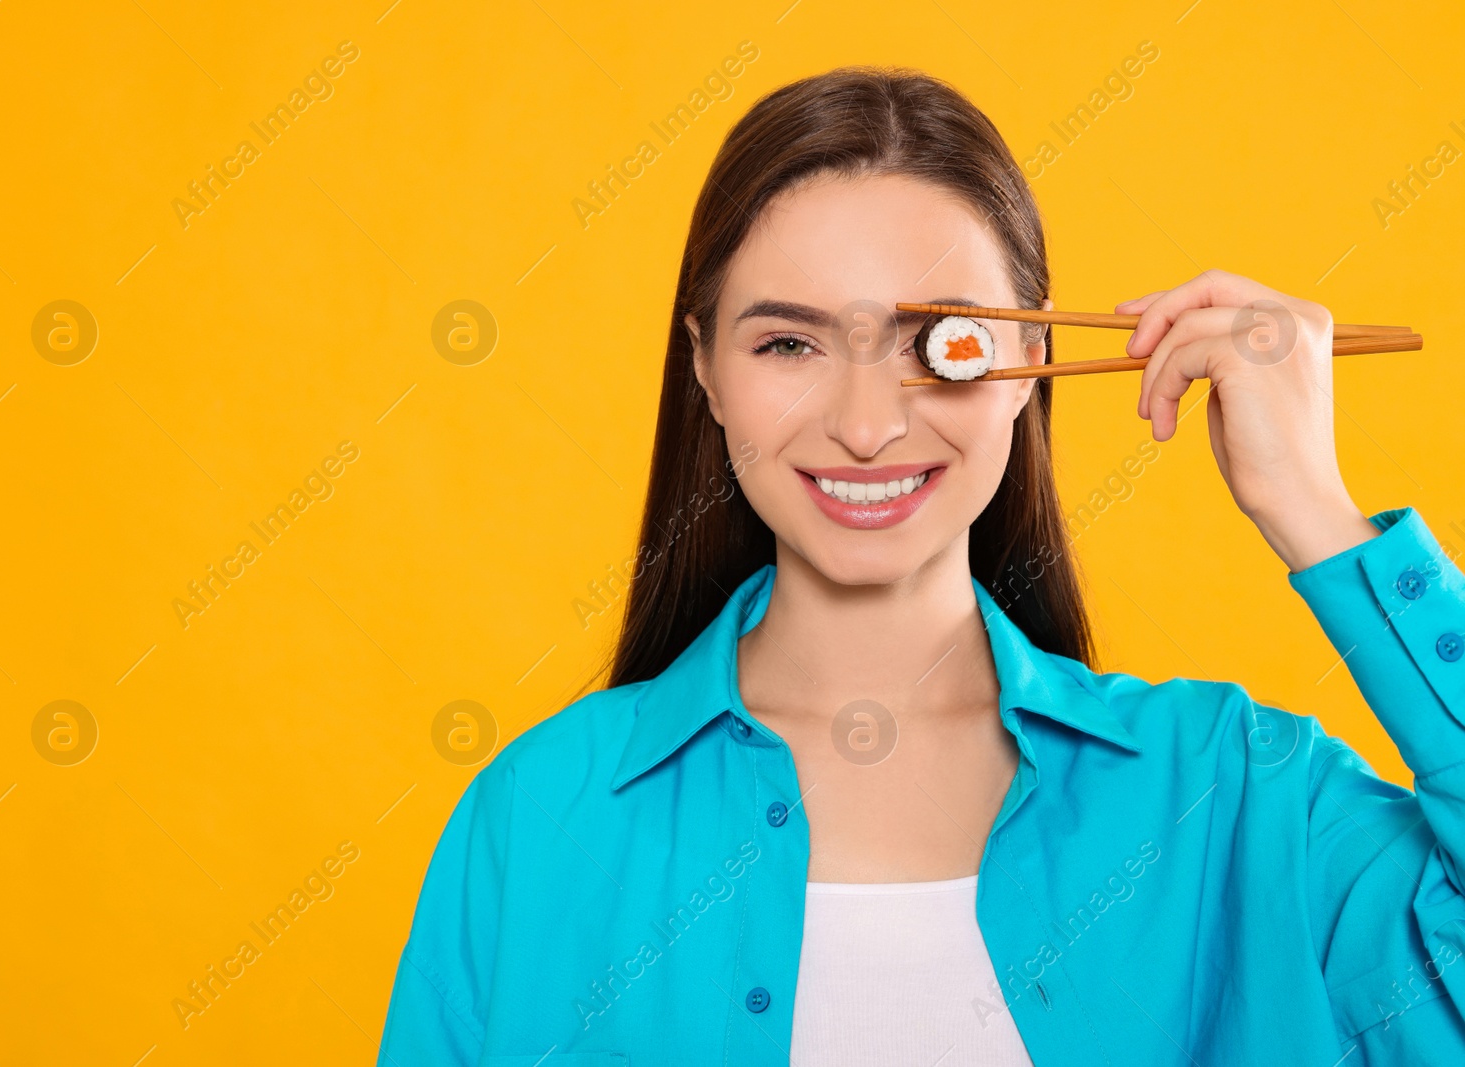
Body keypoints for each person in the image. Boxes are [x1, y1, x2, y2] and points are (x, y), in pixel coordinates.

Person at [376, 67, 1465, 1065]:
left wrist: (1313, 511)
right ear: (703, 367)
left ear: (1028, 366)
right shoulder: (538, 818)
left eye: (935, 341)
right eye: (788, 344)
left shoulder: (1239, 794)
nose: (865, 425)